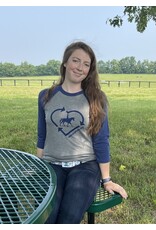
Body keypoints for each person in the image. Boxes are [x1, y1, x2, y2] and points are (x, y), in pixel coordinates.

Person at [37, 41, 128, 224]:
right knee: (48, 216)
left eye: (86, 64)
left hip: (85, 166)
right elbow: (42, 135)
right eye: (76, 61)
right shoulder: (46, 96)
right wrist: (39, 165)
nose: (80, 68)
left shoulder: (96, 98)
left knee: (68, 217)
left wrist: (107, 179)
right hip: (52, 165)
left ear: (90, 70)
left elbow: (102, 140)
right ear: (65, 63)